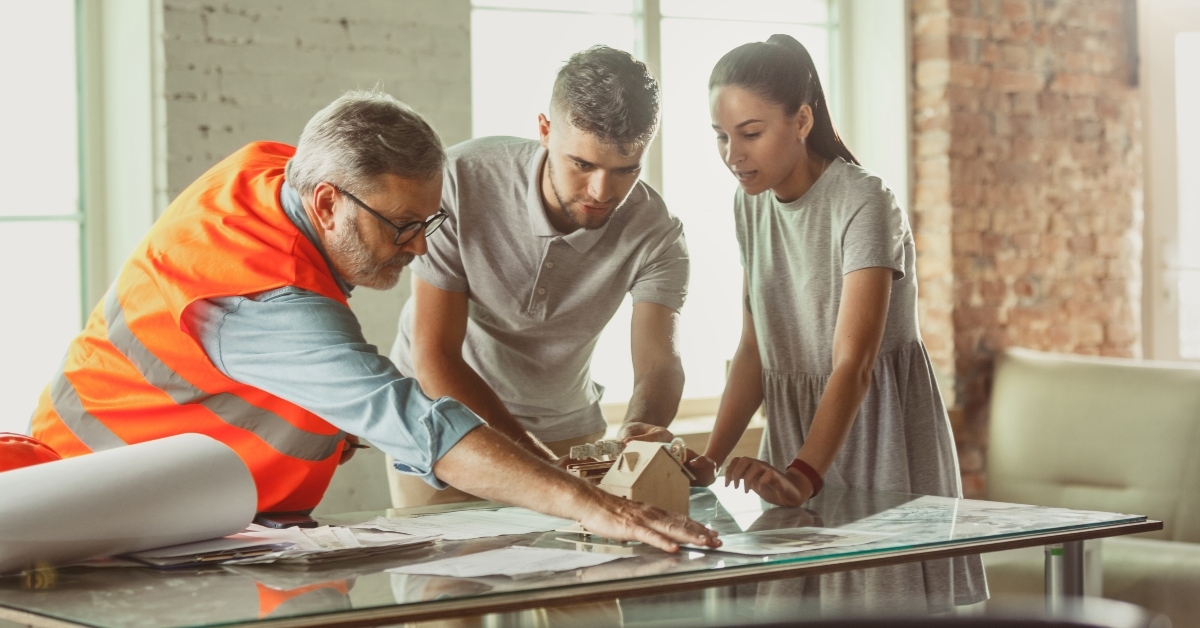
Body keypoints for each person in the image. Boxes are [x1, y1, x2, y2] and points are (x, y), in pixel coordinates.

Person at [27, 89, 719, 553]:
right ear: (327, 203)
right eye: (403, 226)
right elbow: (417, 419)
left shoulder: (276, 178)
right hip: (85, 514)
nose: (420, 245)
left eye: (430, 221)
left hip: (178, 511)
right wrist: (593, 506)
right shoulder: (265, 295)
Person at [690, 35, 985, 608]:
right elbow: (756, 347)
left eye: (750, 133)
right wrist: (709, 459)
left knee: (880, 610)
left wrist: (802, 474)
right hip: (799, 436)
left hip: (878, 437)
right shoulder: (748, 202)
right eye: (721, 137)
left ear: (802, 120)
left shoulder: (865, 201)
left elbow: (855, 362)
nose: (733, 153)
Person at [388, 46, 690, 507]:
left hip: (568, 430)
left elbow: (658, 363)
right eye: (583, 165)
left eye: (625, 170)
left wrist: (639, 426)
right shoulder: (459, 182)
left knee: (571, 575)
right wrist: (535, 463)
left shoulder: (657, 232)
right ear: (545, 131)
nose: (601, 192)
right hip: (442, 418)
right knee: (441, 578)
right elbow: (435, 357)